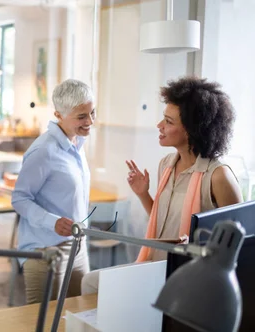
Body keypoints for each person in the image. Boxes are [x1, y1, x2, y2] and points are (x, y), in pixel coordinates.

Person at [81, 76, 243, 294]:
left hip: (188, 277)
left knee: (94, 285)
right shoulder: (166, 164)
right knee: (90, 282)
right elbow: (162, 223)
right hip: (154, 266)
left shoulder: (218, 177)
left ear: (192, 130)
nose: (159, 126)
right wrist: (143, 194)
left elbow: (238, 243)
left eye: (168, 121)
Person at [12, 79, 95, 304]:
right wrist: (52, 221)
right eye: (81, 116)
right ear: (59, 114)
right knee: (43, 323)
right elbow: (19, 199)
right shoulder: (43, 151)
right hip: (47, 249)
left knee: (80, 313)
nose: (90, 121)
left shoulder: (77, 143)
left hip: (78, 245)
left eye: (92, 113)